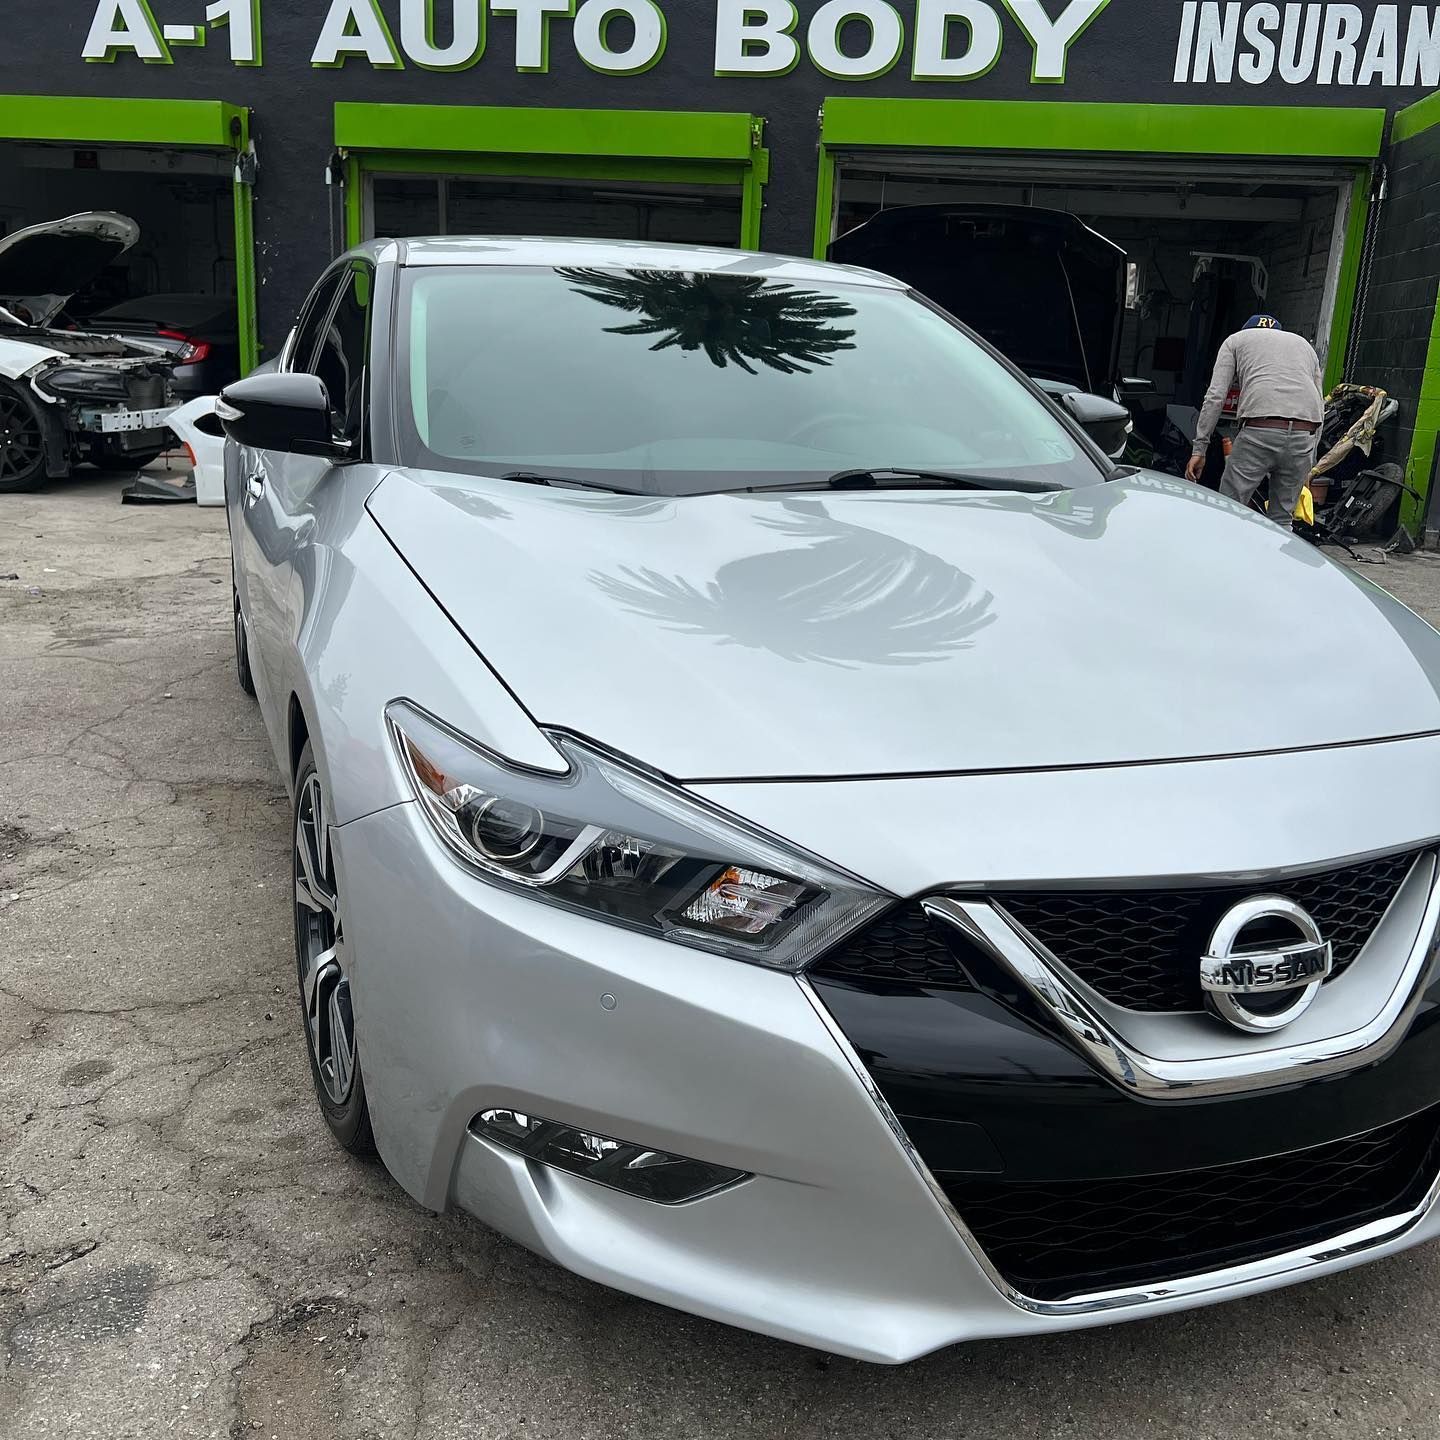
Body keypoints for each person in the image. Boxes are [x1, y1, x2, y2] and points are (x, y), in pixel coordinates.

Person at [1184, 314, 1325, 526]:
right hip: (1304, 432)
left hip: (1260, 430)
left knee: (1229, 509)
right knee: (1282, 519)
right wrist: (1310, 460)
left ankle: (1225, 557)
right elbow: (1320, 404)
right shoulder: (1304, 345)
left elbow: (1215, 397)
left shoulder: (1235, 340)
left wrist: (1199, 449)